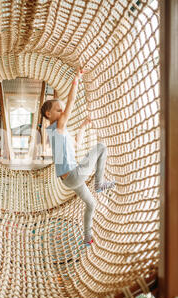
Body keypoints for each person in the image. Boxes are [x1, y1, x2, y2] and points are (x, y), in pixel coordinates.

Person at [42, 68, 115, 245]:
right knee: (101, 147)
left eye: (61, 111)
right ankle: (99, 183)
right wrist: (76, 79)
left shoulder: (59, 133)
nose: (62, 112)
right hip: (73, 174)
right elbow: (71, 101)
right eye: (58, 110)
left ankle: (87, 238)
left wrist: (83, 125)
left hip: (69, 179)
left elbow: (76, 143)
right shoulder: (57, 127)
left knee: (91, 204)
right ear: (48, 115)